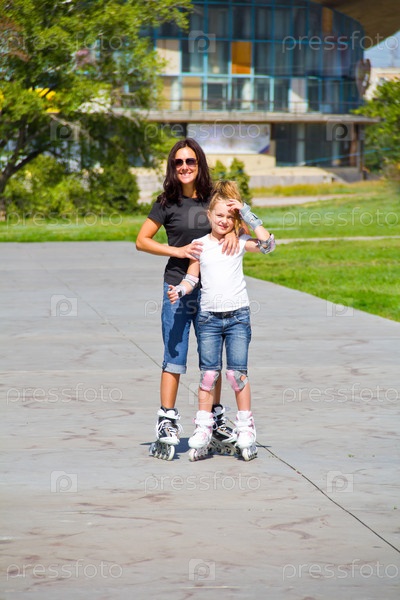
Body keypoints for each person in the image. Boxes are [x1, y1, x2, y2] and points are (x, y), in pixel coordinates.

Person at [136, 138, 238, 460]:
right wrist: (177, 251)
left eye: (190, 161)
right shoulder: (166, 202)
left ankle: (215, 419)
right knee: (174, 355)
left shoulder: (213, 198)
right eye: (178, 162)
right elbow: (142, 240)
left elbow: (235, 219)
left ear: (199, 164)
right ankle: (167, 420)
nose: (184, 167)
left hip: (213, 291)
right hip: (177, 289)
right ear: (173, 167)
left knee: (212, 360)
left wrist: (233, 232)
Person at [167, 181, 276, 461]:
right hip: (208, 320)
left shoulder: (238, 241)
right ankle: (203, 428)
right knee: (208, 375)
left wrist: (246, 213)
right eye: (219, 215)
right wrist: (180, 290)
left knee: (236, 375)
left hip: (238, 317)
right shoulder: (200, 246)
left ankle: (246, 428)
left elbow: (268, 245)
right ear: (209, 215)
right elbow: (191, 278)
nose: (224, 221)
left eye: (229, 216)